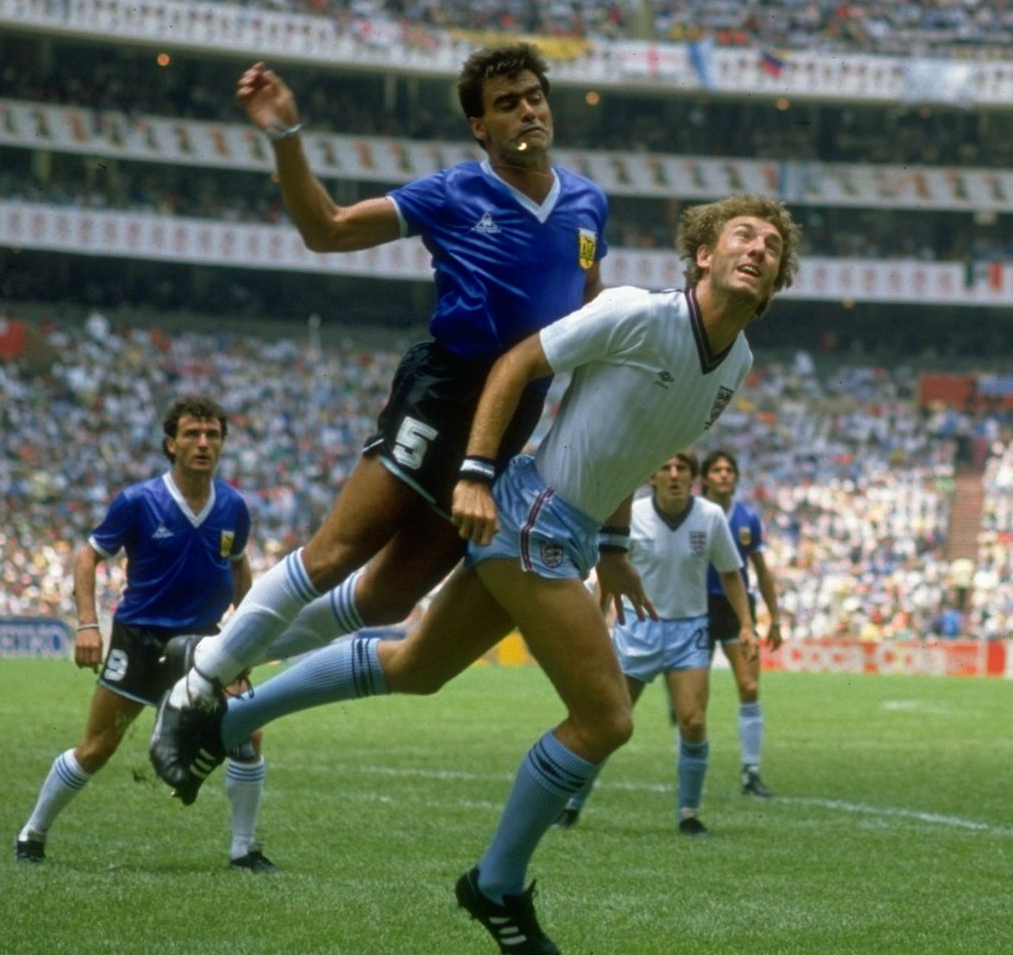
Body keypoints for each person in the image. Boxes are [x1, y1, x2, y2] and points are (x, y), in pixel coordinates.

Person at [154, 194, 799, 953]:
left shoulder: (736, 364)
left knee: (415, 667)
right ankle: (496, 884)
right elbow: (517, 363)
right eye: (743, 235)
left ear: (777, 280)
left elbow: (634, 444)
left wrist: (615, 548)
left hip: (571, 533)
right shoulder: (637, 311)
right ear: (703, 255)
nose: (758, 249)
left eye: (773, 247)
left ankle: (223, 718)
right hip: (532, 519)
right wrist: (475, 473)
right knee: (606, 719)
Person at [152, 42, 608, 795]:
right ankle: (195, 688)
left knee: (388, 599)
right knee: (335, 554)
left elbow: (586, 307)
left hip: (509, 419)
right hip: (443, 393)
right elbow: (327, 229)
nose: (528, 110)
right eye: (507, 103)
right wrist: (285, 135)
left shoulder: (588, 203)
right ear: (480, 127)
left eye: (534, 96)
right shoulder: (454, 192)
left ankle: (212, 653)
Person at [13, 395, 274, 871]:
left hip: (206, 644)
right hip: (140, 642)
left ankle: (245, 850)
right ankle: (32, 833)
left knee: (248, 734)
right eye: (192, 434)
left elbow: (239, 569)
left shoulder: (233, 505)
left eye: (213, 435)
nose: (203, 443)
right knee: (98, 746)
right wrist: (88, 624)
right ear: (171, 443)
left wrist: (249, 631)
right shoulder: (138, 501)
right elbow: (87, 556)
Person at [558, 453, 754, 835]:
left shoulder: (711, 516)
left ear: (694, 478)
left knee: (693, 722)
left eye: (683, 469)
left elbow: (731, 574)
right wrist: (595, 622)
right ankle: (571, 805)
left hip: (690, 631)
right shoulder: (631, 516)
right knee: (607, 724)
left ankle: (689, 813)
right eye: (666, 468)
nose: (674, 475)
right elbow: (608, 574)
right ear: (652, 476)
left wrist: (747, 624)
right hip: (637, 629)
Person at [697, 449, 786, 797]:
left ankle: (751, 772)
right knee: (694, 696)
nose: (724, 475)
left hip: (737, 610)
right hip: (698, 607)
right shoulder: (694, 513)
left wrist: (775, 618)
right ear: (705, 477)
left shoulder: (748, 517)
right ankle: (693, 769)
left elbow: (762, 572)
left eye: (729, 470)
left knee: (749, 687)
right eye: (717, 470)